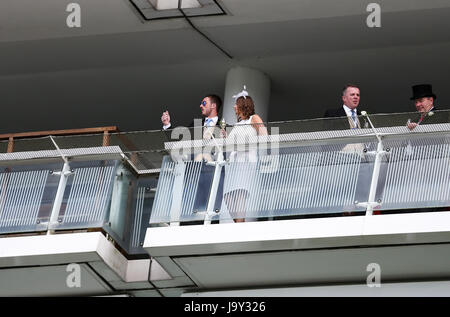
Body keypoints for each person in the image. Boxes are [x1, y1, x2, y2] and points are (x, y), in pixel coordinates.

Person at [222, 89, 267, 223]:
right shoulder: (237, 124)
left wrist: (247, 145)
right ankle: (239, 224)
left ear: (243, 105)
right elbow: (230, 146)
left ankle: (240, 225)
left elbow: (264, 135)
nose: (234, 107)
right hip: (234, 163)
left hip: (246, 160)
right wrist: (225, 137)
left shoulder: (254, 118)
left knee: (240, 192)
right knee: (228, 196)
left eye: (236, 104)